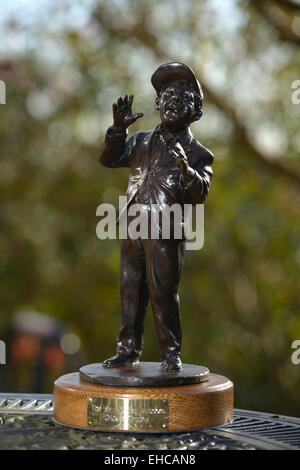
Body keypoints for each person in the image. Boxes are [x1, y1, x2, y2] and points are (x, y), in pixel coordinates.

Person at [99, 62, 213, 371]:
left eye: (184, 97)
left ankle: (171, 354)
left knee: (162, 291)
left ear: (197, 112)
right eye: (168, 94)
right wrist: (118, 130)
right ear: (157, 103)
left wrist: (186, 170)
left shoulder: (199, 153)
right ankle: (127, 349)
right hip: (132, 224)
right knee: (130, 288)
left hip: (166, 228)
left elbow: (198, 194)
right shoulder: (138, 141)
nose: (174, 100)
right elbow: (108, 159)